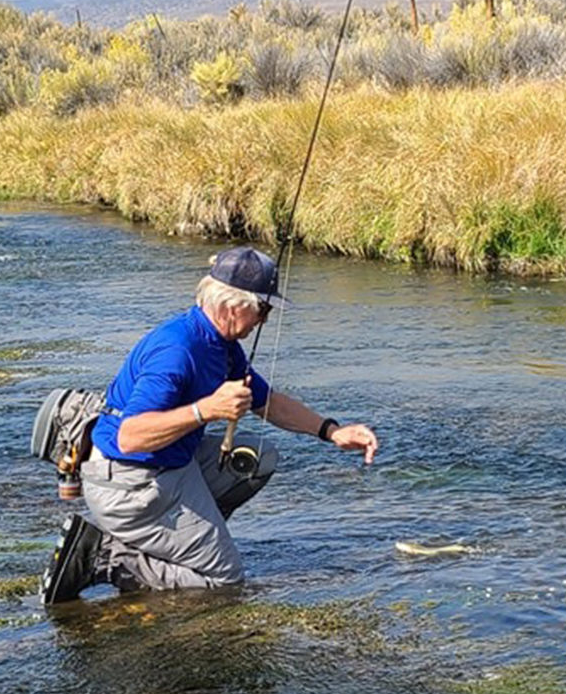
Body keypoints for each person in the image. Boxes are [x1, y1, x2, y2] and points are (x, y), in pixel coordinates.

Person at [41, 246, 379, 603]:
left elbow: (268, 402)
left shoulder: (220, 341)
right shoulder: (177, 350)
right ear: (234, 307)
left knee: (257, 458)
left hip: (170, 466)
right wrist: (205, 410)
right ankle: (104, 558)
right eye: (262, 309)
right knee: (224, 581)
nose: (264, 320)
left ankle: (182, 539)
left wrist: (331, 430)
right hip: (130, 483)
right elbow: (130, 436)